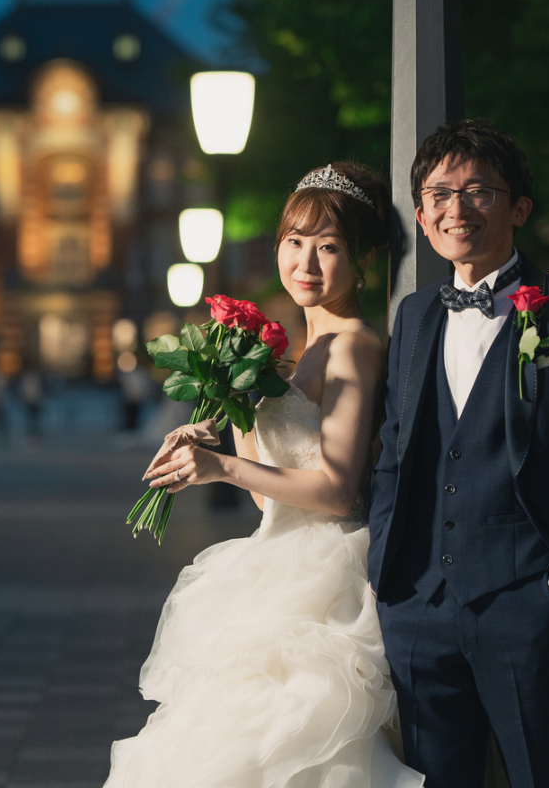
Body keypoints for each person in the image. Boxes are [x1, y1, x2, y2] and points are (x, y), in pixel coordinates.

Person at [104, 162, 423, 788]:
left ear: (362, 260)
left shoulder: (353, 345)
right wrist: (219, 422)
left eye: (329, 247)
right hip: (272, 562)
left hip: (325, 573)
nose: (306, 261)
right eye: (294, 241)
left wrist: (222, 466)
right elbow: (270, 486)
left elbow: (334, 490)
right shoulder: (295, 355)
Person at [369, 119, 549, 788]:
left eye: (477, 191)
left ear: (518, 207)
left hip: (531, 602)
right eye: (437, 193)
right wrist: (387, 574)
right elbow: (395, 452)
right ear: (423, 216)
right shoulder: (414, 315)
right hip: (418, 608)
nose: (454, 209)